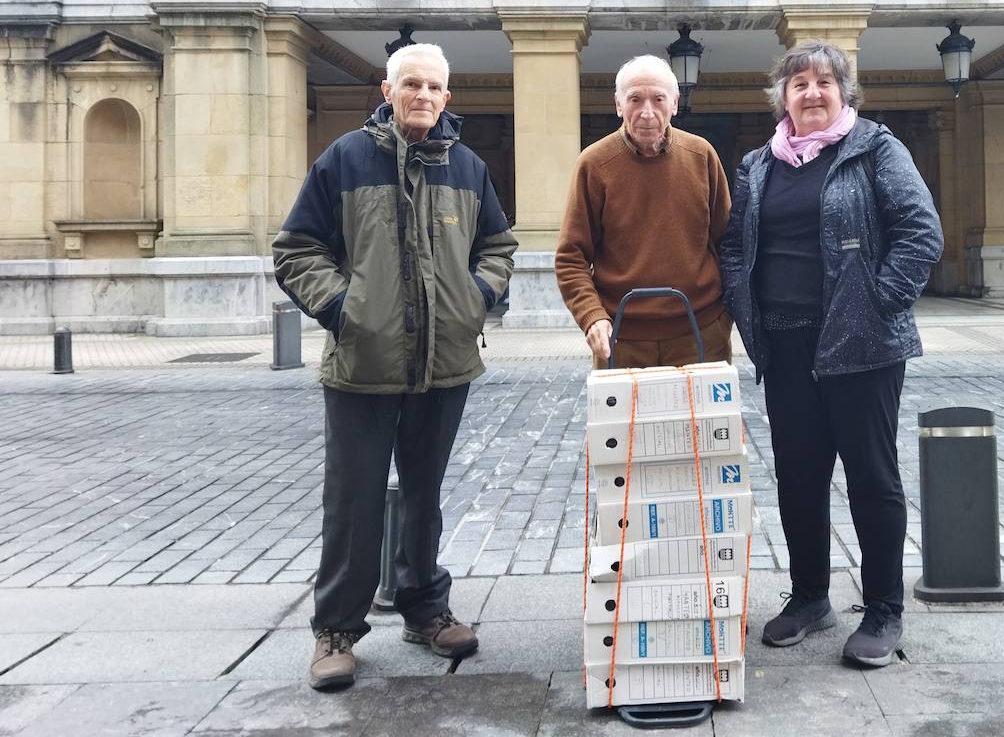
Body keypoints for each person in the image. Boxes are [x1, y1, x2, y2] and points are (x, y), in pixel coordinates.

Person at [273, 42, 517, 691]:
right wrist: (342, 308)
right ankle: (337, 628)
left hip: (446, 363)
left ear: (447, 97)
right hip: (363, 362)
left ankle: (425, 609)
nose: (422, 96)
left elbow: (497, 243)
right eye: (411, 84)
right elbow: (296, 247)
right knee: (352, 499)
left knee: (423, 494)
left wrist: (476, 299)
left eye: (434, 87)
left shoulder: (467, 167)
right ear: (388, 89)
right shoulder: (344, 159)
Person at [719, 40, 943, 668]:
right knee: (798, 476)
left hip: (862, 345)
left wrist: (876, 306)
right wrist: (747, 315)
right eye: (799, 84)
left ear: (844, 91)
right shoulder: (759, 165)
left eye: (824, 82)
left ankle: (882, 611)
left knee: (871, 478)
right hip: (786, 344)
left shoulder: (875, 149)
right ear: (782, 96)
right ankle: (811, 598)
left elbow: (920, 233)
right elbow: (735, 246)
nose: (812, 93)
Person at [555, 55, 732, 367]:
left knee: (700, 419)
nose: (647, 112)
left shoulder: (701, 155)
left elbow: (729, 244)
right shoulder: (594, 165)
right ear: (619, 105)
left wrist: (726, 316)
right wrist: (591, 317)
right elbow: (571, 258)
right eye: (635, 99)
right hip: (621, 337)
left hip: (701, 331)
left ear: (675, 104)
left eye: (658, 99)